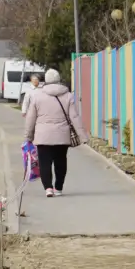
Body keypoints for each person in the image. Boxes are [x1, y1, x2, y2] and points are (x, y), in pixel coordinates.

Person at [21, 67, 84, 197]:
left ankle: (48, 188)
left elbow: (30, 118)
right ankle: (59, 188)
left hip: (43, 136)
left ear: (46, 80)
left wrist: (28, 136)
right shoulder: (68, 96)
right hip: (62, 135)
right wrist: (83, 136)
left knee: (45, 163)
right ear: (59, 79)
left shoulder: (37, 96)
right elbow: (74, 117)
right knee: (61, 162)